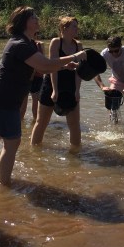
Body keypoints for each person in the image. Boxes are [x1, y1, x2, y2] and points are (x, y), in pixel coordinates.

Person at [0, 6, 86, 186]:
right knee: (12, 142)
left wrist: (62, 66)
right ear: (23, 22)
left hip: (0, 96)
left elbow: (42, 67)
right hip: (6, 98)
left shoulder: (26, 42)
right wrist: (74, 57)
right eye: (33, 17)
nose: (37, 19)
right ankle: (5, 187)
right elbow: (44, 65)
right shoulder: (20, 44)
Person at [30, 16, 84, 151]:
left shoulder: (79, 45)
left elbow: (79, 72)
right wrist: (55, 90)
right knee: (41, 122)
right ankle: (34, 152)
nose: (77, 29)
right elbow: (52, 67)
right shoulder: (56, 42)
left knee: (74, 124)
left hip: (71, 86)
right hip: (51, 84)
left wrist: (77, 91)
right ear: (64, 28)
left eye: (77, 26)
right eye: (74, 27)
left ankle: (75, 155)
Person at [20, 39, 44, 121]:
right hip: (27, 77)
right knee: (23, 105)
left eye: (37, 33)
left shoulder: (40, 44)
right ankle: (22, 126)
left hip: (37, 77)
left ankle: (35, 123)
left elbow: (42, 60)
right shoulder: (25, 44)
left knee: (35, 104)